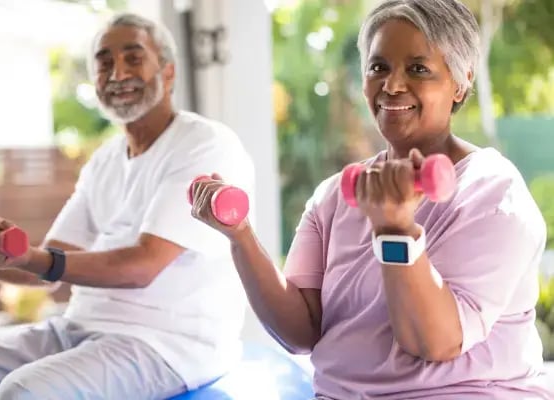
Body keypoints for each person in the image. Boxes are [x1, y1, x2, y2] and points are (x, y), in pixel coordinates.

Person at [191, 0, 553, 398]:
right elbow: (300, 332)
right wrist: (240, 237)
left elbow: (434, 342)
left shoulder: (495, 194)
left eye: (418, 68)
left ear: (461, 80)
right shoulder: (332, 196)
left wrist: (395, 229)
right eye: (378, 67)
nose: (392, 85)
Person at [0, 12, 255, 400]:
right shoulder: (104, 161)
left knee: (23, 392)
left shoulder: (204, 144)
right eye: (104, 63)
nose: (117, 74)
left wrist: (36, 259)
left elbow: (141, 266)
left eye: (133, 58)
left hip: (168, 342)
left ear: (167, 74)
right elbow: (41, 270)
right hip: (79, 329)